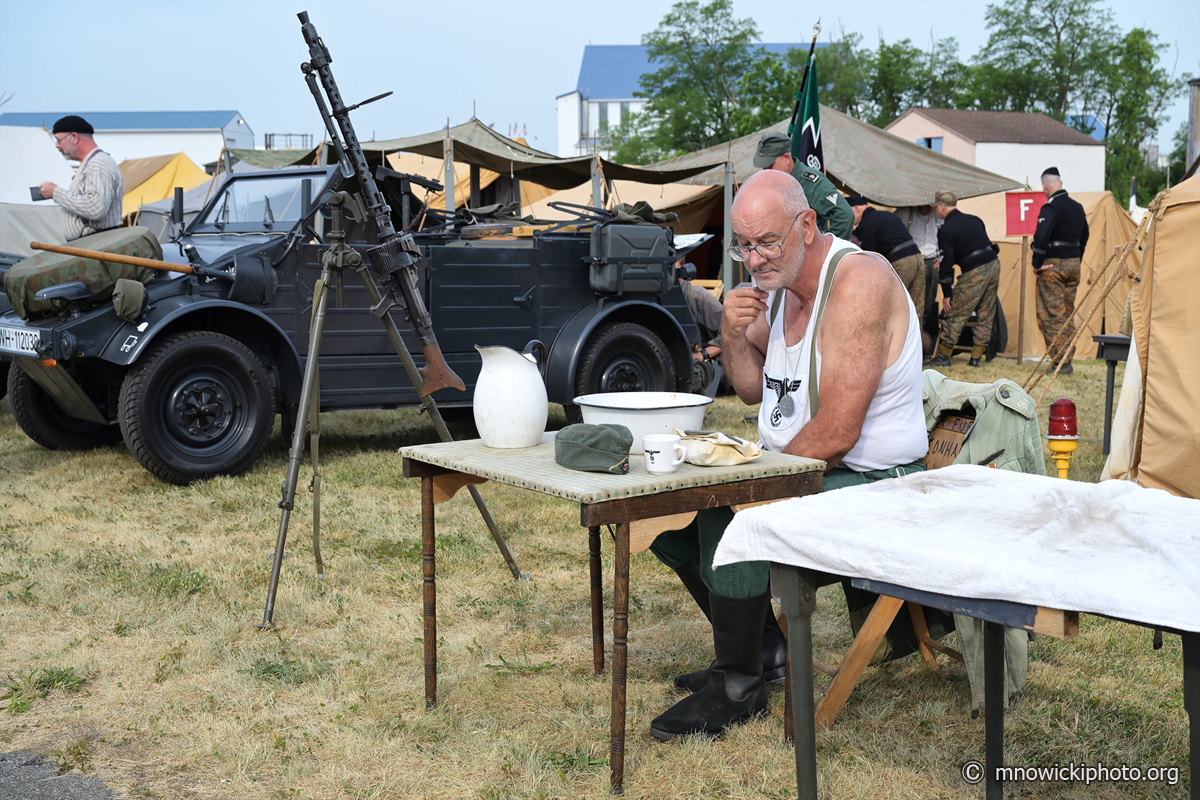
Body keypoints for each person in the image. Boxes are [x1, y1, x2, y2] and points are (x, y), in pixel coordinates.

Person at [646, 169, 927, 741]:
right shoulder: (779, 289)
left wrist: (753, 481)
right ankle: (764, 650)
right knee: (663, 517)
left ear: (806, 225)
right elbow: (752, 387)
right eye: (743, 246)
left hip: (875, 482)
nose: (753, 260)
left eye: (766, 242)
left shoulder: (856, 282)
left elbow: (839, 430)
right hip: (809, 468)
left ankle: (738, 685)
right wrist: (728, 329)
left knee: (731, 513)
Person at [928, 190, 1001, 368]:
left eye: (936, 207)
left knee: (956, 311)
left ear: (942, 207)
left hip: (976, 270)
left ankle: (943, 356)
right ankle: (975, 358)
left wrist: (947, 293)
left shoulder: (946, 230)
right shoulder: (974, 220)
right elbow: (975, 245)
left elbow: (946, 266)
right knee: (986, 310)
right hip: (993, 263)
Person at [1031, 167, 1089, 375]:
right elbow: (1085, 235)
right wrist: (1076, 258)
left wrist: (1037, 263)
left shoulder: (1050, 208)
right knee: (1067, 312)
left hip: (1052, 266)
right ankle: (1067, 357)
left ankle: (1061, 363)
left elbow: (1040, 238)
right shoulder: (1077, 207)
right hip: (1073, 264)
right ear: (1061, 183)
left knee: (1051, 315)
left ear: (1044, 187)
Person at [753, 132, 854, 239]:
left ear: (786, 158)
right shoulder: (772, 183)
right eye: (763, 167)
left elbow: (844, 215)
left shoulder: (809, 182)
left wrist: (829, 250)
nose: (766, 171)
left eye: (769, 165)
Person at [38, 115, 123, 241]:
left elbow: (95, 208)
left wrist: (55, 193)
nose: (56, 145)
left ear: (74, 137)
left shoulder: (97, 164)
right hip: (94, 244)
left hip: (97, 245)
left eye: (58, 140)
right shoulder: (93, 164)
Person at [845, 196, 925, 317]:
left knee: (891, 308)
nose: (847, 217)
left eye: (848, 212)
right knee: (915, 309)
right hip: (918, 258)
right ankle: (916, 334)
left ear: (856, 208)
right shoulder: (887, 215)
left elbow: (870, 260)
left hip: (901, 262)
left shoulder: (865, 225)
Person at [678, 261, 724, 393]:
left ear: (681, 264)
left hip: (697, 363)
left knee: (692, 375)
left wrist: (702, 354)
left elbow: (730, 333)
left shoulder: (698, 296)